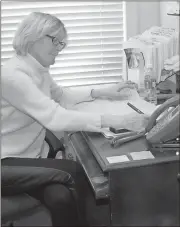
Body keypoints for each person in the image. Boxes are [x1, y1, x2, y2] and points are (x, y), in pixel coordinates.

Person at [1, 12, 149, 226]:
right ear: (33, 36)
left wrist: (104, 91)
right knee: (77, 172)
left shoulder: (37, 70)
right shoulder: (13, 76)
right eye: (56, 41)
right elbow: (55, 117)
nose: (60, 49)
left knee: (60, 197)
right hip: (6, 163)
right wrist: (119, 121)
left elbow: (61, 96)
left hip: (30, 159)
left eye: (63, 43)